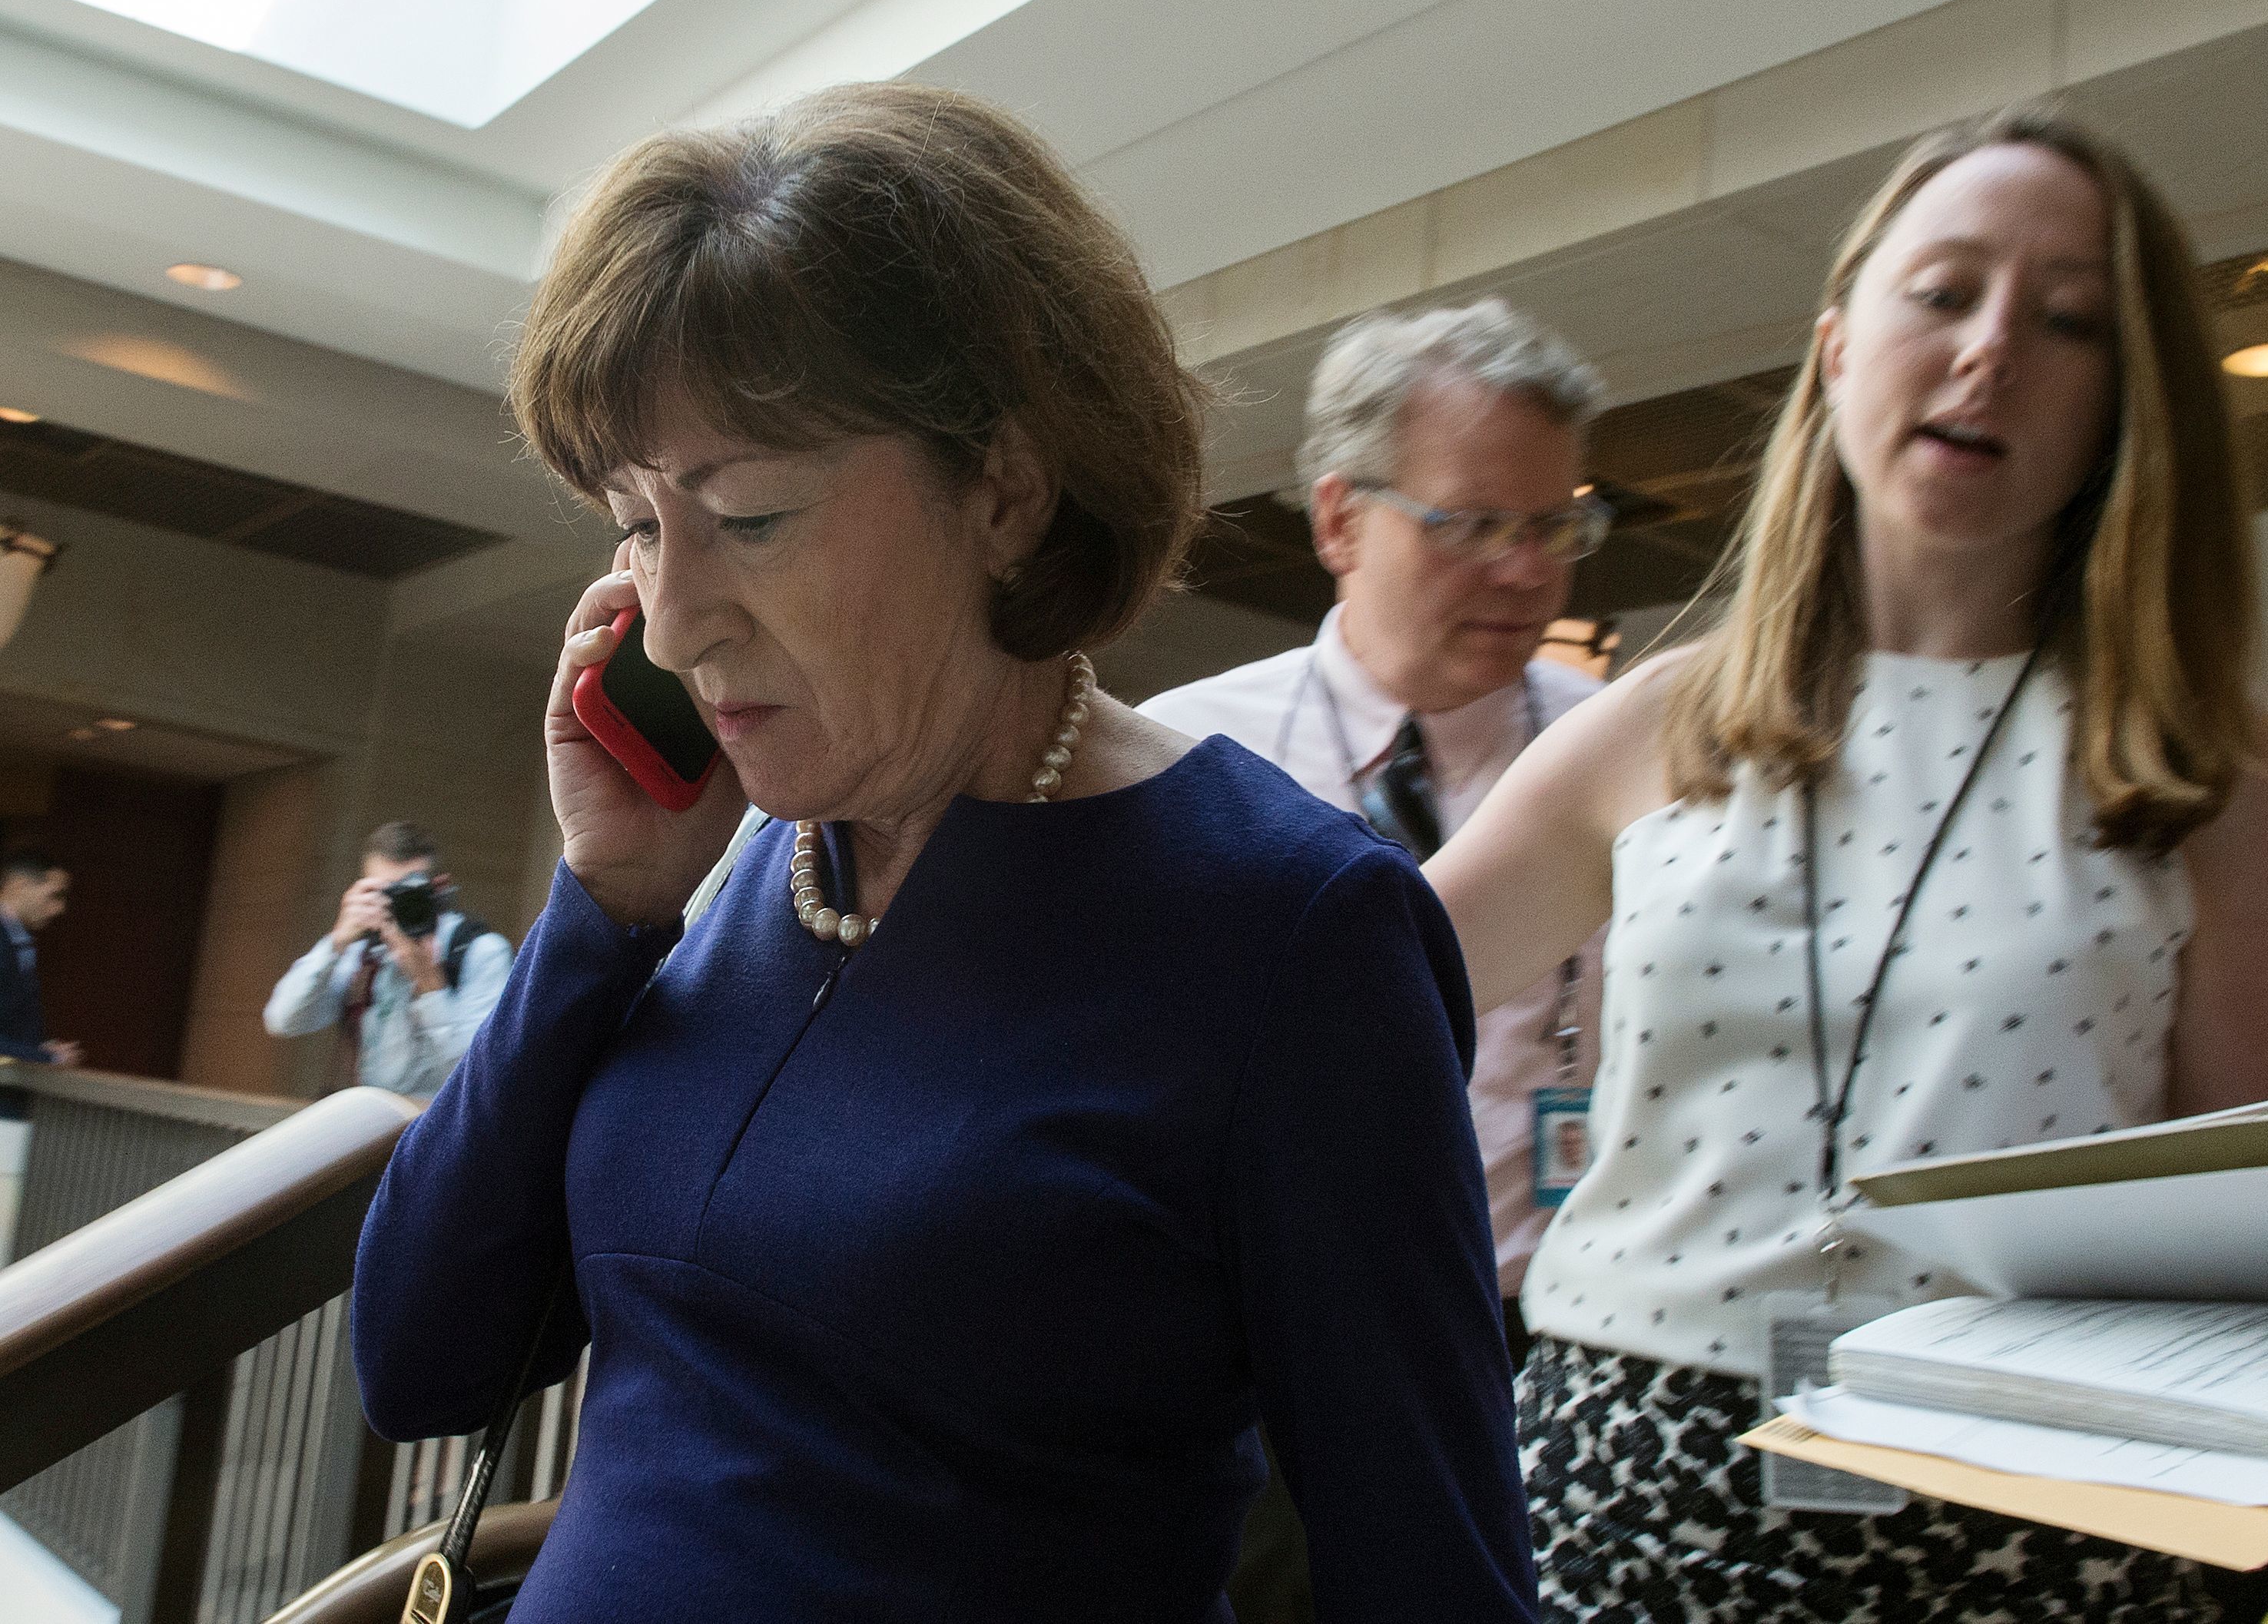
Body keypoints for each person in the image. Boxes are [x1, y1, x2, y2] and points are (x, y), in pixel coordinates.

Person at [350, 84, 1534, 1623]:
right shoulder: (744, 886)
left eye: (748, 516)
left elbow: (1430, 1576)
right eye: (636, 524)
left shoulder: (1295, 929)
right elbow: (421, 1358)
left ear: (1008, 490)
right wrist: (606, 910)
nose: (670, 612)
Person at [1427, 104, 2268, 1621]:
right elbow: (1364, 986)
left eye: (2067, 321)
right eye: (1943, 292)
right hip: (1635, 1467)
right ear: (1835, 348)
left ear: (2118, 406)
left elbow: (2228, 1224)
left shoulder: (2191, 768)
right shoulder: (1668, 722)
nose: (1991, 349)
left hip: (2032, 1492)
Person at [1142, 299, 1610, 1624]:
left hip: (1537, 1352)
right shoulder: (1181, 763)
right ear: (1341, 517)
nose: (1528, 571)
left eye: (1556, 525)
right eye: (1475, 524)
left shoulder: (1625, 759)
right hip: (1252, 1372)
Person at [264, 822, 512, 1099]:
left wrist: (430, 985)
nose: (395, 905)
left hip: (438, 1126)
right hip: (370, 1123)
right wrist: (336, 942)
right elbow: (284, 1020)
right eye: (385, 894)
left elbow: (480, 1076)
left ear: (439, 888)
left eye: (409, 892)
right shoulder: (363, 954)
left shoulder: (480, 952)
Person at [0, 847, 80, 1263]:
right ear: (18, 884)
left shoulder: (17, 941)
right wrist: (45, 1060)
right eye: (52, 894)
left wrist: (37, 1050)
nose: (59, 908)